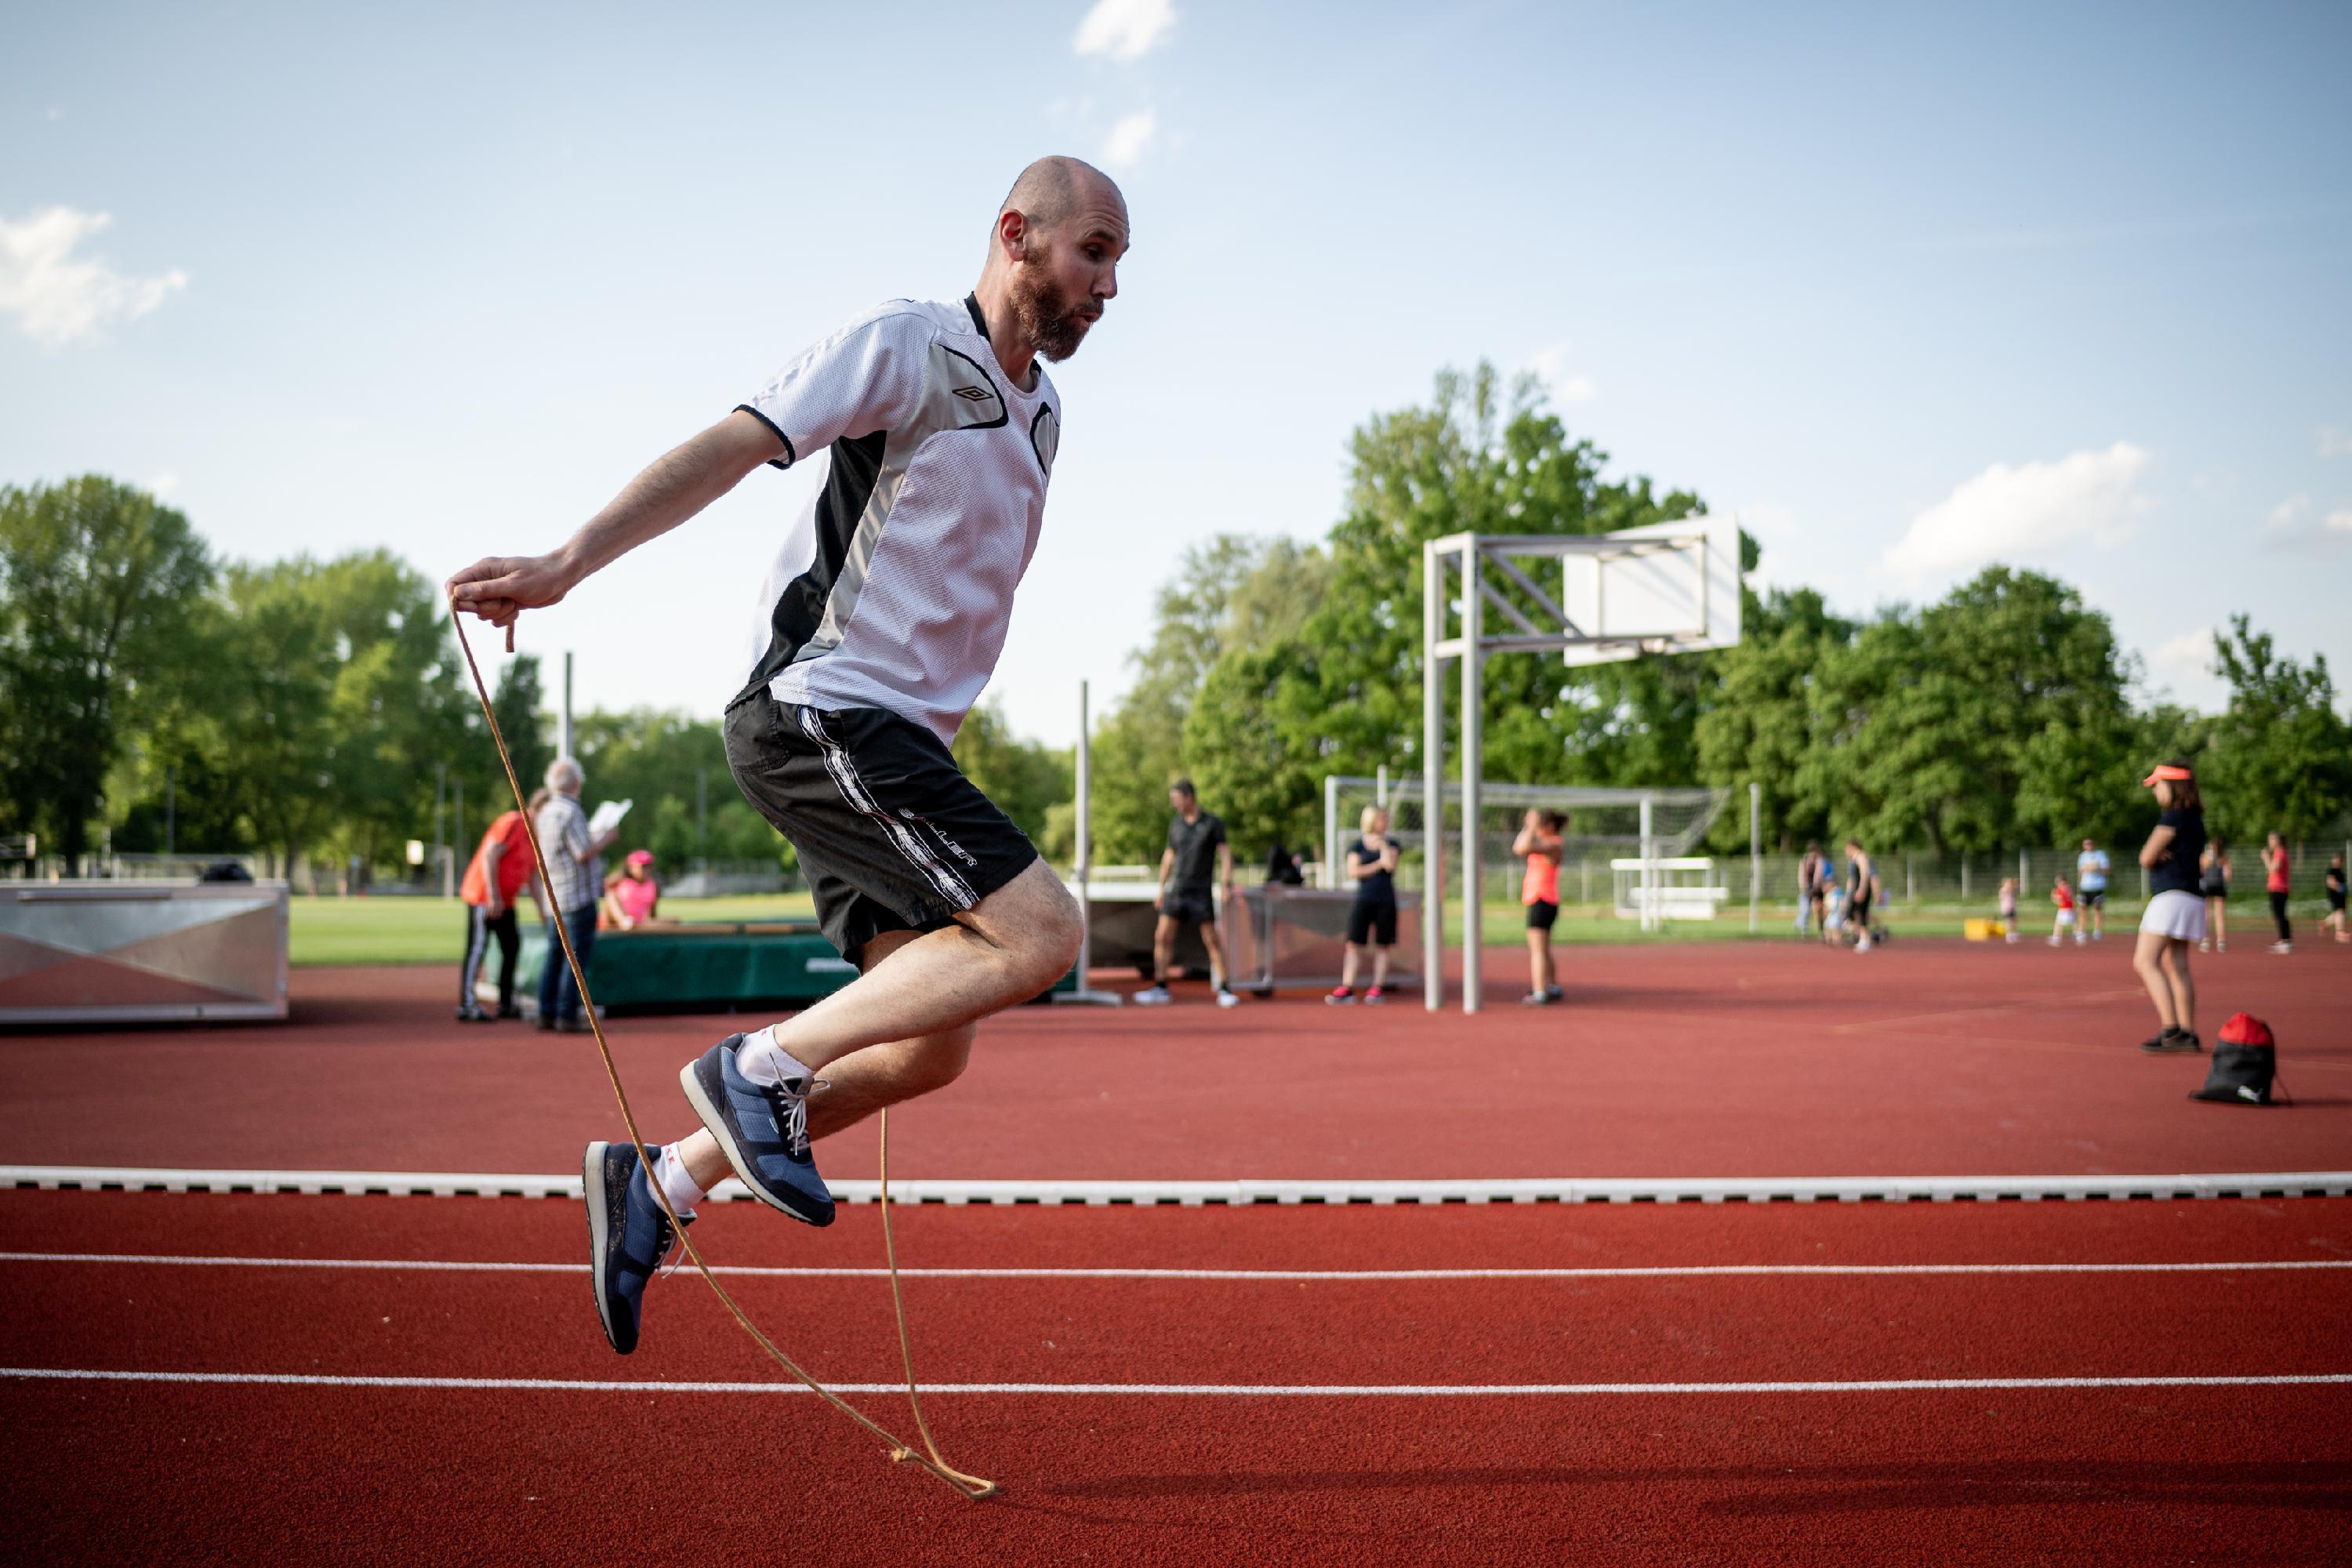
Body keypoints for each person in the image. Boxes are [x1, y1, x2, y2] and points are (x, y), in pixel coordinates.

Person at [448, 156, 1120, 1356]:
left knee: (929, 1047)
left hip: (900, 744)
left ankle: (660, 1183)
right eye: (1095, 253)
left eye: (1119, 263)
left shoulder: (1046, 413)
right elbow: (729, 443)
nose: (1111, 286)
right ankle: (756, 1067)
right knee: (1047, 934)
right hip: (822, 708)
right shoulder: (905, 344)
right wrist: (566, 564)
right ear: (1016, 234)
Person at [1134, 780, 1239, 1007]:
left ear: (1189, 797)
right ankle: (1160, 987)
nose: (1173, 803)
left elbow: (1225, 855)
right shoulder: (1176, 824)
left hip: (1200, 893)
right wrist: (1161, 888)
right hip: (1177, 890)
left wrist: (1226, 884)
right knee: (1162, 936)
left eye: (1176, 798)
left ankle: (1225, 989)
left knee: (1211, 939)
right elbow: (1169, 856)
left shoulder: (1212, 823)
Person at [536, 760, 622, 1033]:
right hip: (577, 896)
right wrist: (606, 838)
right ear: (576, 783)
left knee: (554, 955)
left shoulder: (545, 811)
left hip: (555, 895)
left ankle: (546, 1012)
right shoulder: (571, 812)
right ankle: (566, 1015)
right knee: (575, 960)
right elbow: (582, 852)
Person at [2132, 760, 2208, 1054]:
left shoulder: (2173, 818)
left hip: (2170, 896)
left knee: (2145, 961)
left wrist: (2156, 854)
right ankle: (2187, 1031)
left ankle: (2171, 1029)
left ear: (2173, 787)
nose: (2155, 792)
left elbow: (2145, 857)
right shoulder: (2194, 819)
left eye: (2158, 786)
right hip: (2191, 897)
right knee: (2177, 966)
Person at [457, 787, 547, 1022]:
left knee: (511, 948)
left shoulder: (536, 837)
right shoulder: (514, 822)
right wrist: (493, 896)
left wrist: (542, 910)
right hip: (484, 898)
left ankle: (506, 1002)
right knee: (478, 948)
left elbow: (533, 878)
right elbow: (490, 855)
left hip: (506, 901)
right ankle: (467, 1004)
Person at [1329, 806, 1400, 1004]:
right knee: (1354, 944)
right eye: (1381, 818)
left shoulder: (1392, 843)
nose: (1385, 822)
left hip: (1385, 900)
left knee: (1383, 945)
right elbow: (1355, 871)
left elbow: (1391, 865)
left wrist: (1383, 846)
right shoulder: (1357, 845)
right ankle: (1347, 986)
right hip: (1364, 899)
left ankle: (1377, 988)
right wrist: (1378, 864)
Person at [1513, 808, 1565, 1003]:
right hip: (1543, 900)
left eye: (1541, 825)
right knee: (1544, 948)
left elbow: (1520, 848)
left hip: (1542, 899)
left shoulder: (1553, 844)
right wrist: (1530, 826)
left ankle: (1540, 991)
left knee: (1537, 950)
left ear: (1550, 827)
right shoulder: (1548, 843)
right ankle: (1551, 985)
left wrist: (1530, 827)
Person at [602, 849, 661, 930]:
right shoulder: (621, 879)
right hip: (615, 919)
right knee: (611, 895)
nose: (646, 870)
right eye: (643, 867)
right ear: (631, 867)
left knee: (673, 920)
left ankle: (629, 923)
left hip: (636, 922)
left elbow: (652, 912)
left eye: (648, 866)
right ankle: (623, 921)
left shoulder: (653, 886)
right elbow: (604, 888)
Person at [2198, 837, 2231, 953]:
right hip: (2219, 886)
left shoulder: (2205, 857)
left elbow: (2201, 870)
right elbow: (2228, 875)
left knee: (2206, 914)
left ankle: (2205, 940)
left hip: (2207, 886)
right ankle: (2221, 941)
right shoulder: (2224, 858)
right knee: (2219, 914)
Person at [2262, 833, 2293, 954]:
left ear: (2277, 841)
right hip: (2276, 888)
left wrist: (2265, 857)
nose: (2269, 842)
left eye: (2271, 840)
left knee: (2280, 915)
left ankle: (2285, 941)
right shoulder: (2279, 852)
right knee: (2280, 915)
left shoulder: (2280, 852)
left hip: (2279, 888)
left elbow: (2273, 868)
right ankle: (2284, 940)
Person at [1843, 840, 1876, 953]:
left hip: (1861, 890)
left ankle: (1866, 939)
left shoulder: (1861, 857)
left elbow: (1865, 874)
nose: (1846, 852)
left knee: (1860, 914)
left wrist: (1861, 890)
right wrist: (1847, 894)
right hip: (1854, 891)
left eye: (1847, 849)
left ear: (1852, 847)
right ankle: (1864, 936)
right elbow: (1851, 879)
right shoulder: (1852, 860)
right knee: (1851, 916)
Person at [2074, 838, 2109, 943]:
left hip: (2097, 886)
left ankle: (2097, 931)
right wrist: (2078, 886)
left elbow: (2106, 870)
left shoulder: (2101, 855)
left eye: (2090, 843)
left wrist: (2096, 868)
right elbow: (2080, 871)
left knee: (2097, 908)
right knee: (2082, 909)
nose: (2088, 845)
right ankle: (2082, 931)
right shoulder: (2082, 856)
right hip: (2085, 887)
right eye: (2086, 844)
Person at [1796, 840, 1828, 938]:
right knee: (1805, 908)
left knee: (1819, 909)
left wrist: (1816, 887)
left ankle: (1821, 930)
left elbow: (1819, 875)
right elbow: (1801, 875)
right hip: (1807, 888)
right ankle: (1804, 930)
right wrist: (1804, 887)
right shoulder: (1805, 861)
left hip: (1817, 888)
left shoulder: (1820, 861)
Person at [2323, 853, 2348, 943]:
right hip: (2334, 895)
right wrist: (2340, 887)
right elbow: (2330, 882)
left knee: (2338, 914)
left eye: (2340, 860)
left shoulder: (2340, 871)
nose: (2338, 861)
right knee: (2339, 913)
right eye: (2337, 859)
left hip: (2341, 896)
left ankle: (2325, 923)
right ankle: (2339, 933)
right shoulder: (2332, 870)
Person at [2047, 873, 2077, 947]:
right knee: (2074, 922)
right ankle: (2078, 936)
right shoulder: (2069, 887)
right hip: (2070, 908)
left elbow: (2060, 900)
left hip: (2063, 908)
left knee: (2058, 923)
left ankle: (2056, 938)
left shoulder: (2060, 888)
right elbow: (2072, 898)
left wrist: (2053, 897)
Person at [1998, 876, 2020, 944]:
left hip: (2012, 907)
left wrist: (2016, 884)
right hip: (2006, 908)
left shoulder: (2011, 890)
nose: (2009, 884)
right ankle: (2009, 935)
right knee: (2009, 921)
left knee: (2014, 920)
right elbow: (2006, 892)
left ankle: (2013, 933)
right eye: (2008, 883)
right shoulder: (2003, 890)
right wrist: (2013, 885)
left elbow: (2015, 892)